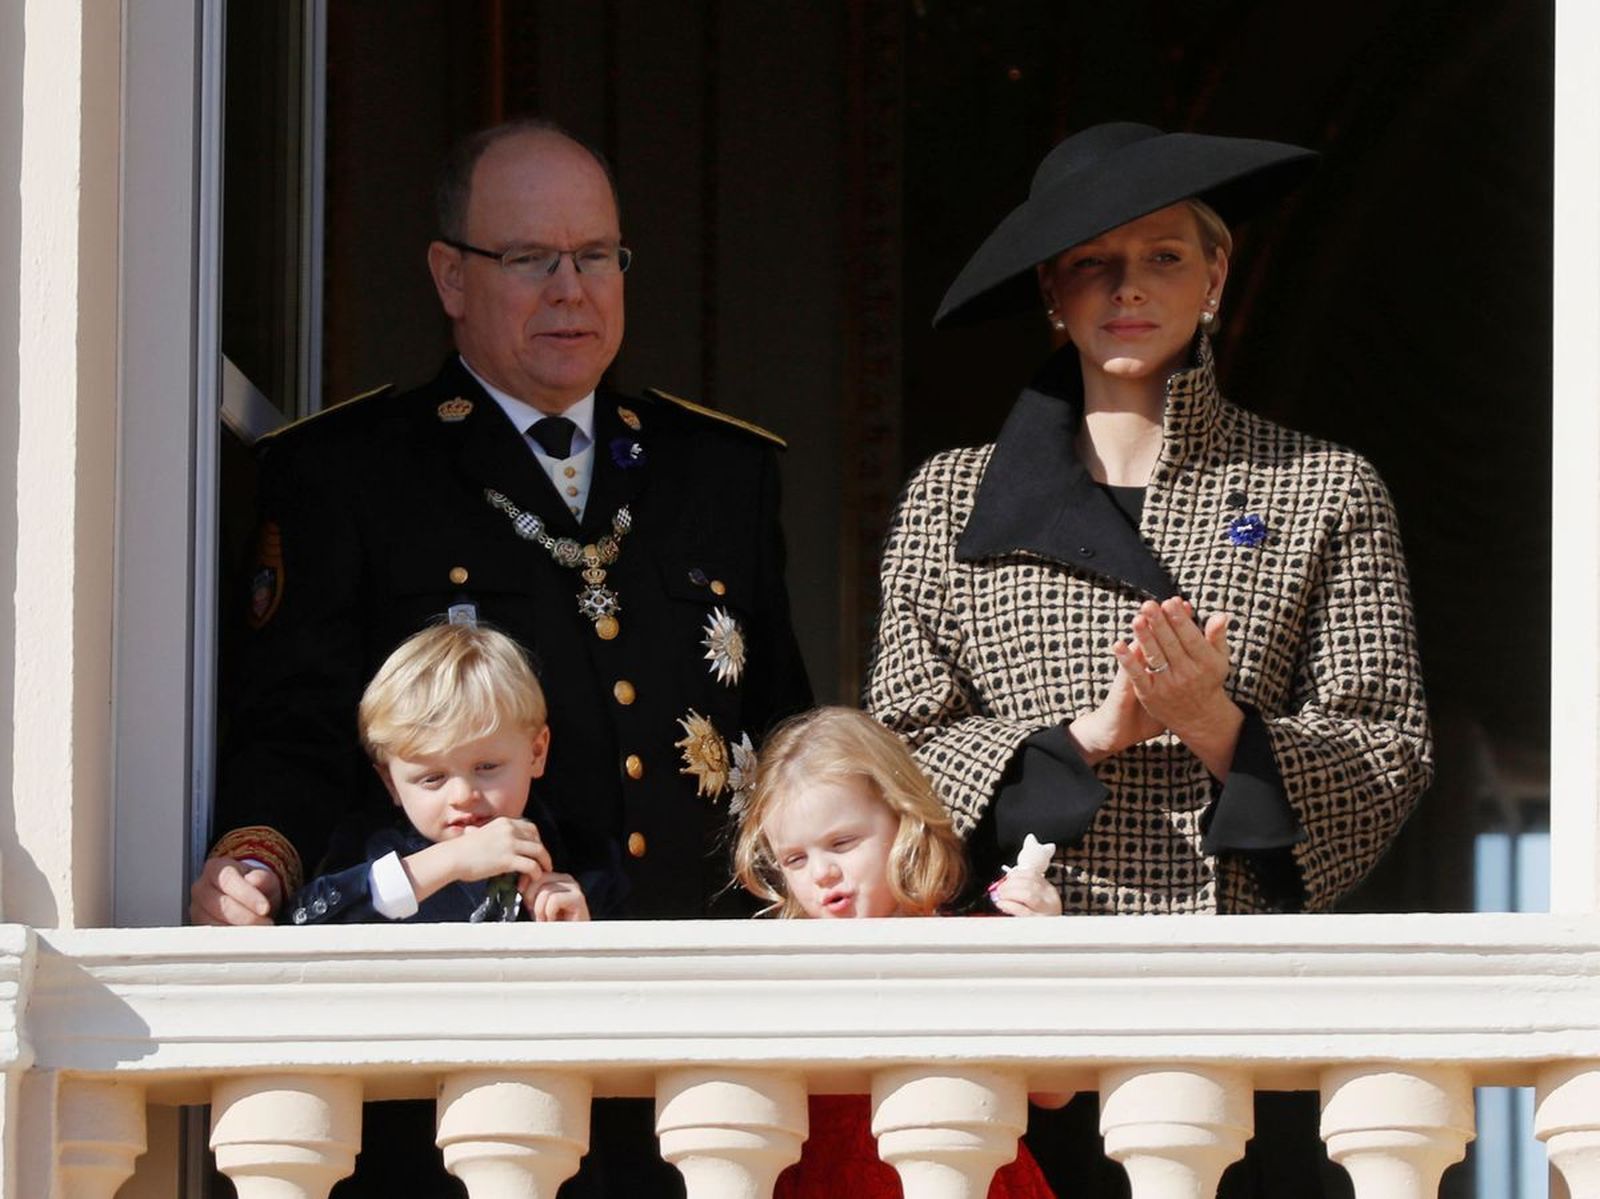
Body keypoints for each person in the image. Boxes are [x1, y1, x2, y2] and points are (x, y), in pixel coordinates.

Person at [192, 116, 811, 930]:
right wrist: (255, 861)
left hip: (702, 958)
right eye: (529, 259)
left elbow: (784, 733)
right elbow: (293, 732)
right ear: (451, 277)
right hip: (471, 973)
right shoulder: (348, 472)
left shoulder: (721, 470)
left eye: (595, 256)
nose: (570, 288)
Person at [867, 121, 1434, 918]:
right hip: (1011, 956)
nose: (1127, 287)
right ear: (1050, 288)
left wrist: (1214, 722)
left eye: (1163, 256)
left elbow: (1386, 748)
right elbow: (897, 749)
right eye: (1091, 261)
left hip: (1236, 965)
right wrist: (1089, 737)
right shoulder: (949, 497)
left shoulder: (1326, 487)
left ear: (1215, 275)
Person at [732, 706, 1059, 1199]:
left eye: (842, 843)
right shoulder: (787, 972)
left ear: (905, 819)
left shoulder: (970, 948)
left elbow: (1055, 1092)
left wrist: (1043, 954)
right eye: (795, 859)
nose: (820, 873)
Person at [281, 622, 620, 927]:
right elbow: (304, 920)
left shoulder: (583, 859)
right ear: (390, 783)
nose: (462, 796)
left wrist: (582, 932)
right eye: (432, 779)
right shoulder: (368, 848)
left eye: (487, 767)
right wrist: (445, 863)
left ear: (536, 752)